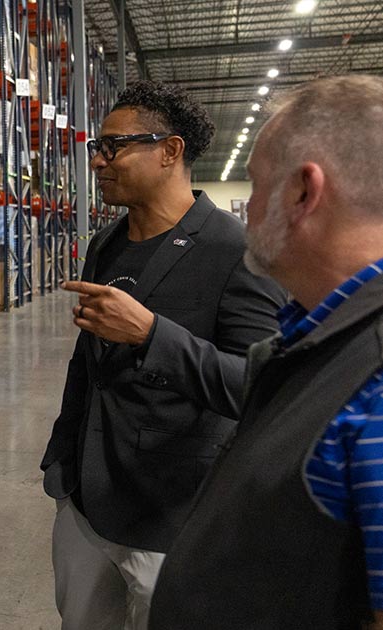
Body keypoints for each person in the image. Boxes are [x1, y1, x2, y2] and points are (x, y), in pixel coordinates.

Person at [39, 80, 286, 630]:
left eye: (114, 147)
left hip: (173, 509)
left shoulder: (237, 251)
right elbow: (88, 361)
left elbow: (260, 385)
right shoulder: (107, 243)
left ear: (170, 151)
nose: (99, 160)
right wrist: (62, 459)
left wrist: (153, 335)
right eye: (95, 148)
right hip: (85, 499)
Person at [149, 75, 383, 630]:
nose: (247, 210)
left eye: (256, 188)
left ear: (304, 191)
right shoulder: (316, 339)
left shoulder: (374, 387)